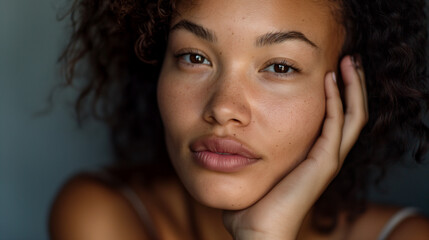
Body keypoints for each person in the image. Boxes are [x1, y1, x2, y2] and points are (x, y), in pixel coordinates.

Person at [49, 0, 429, 239]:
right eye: (194, 57)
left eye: (280, 66)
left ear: (350, 92)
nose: (223, 107)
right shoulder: (101, 213)